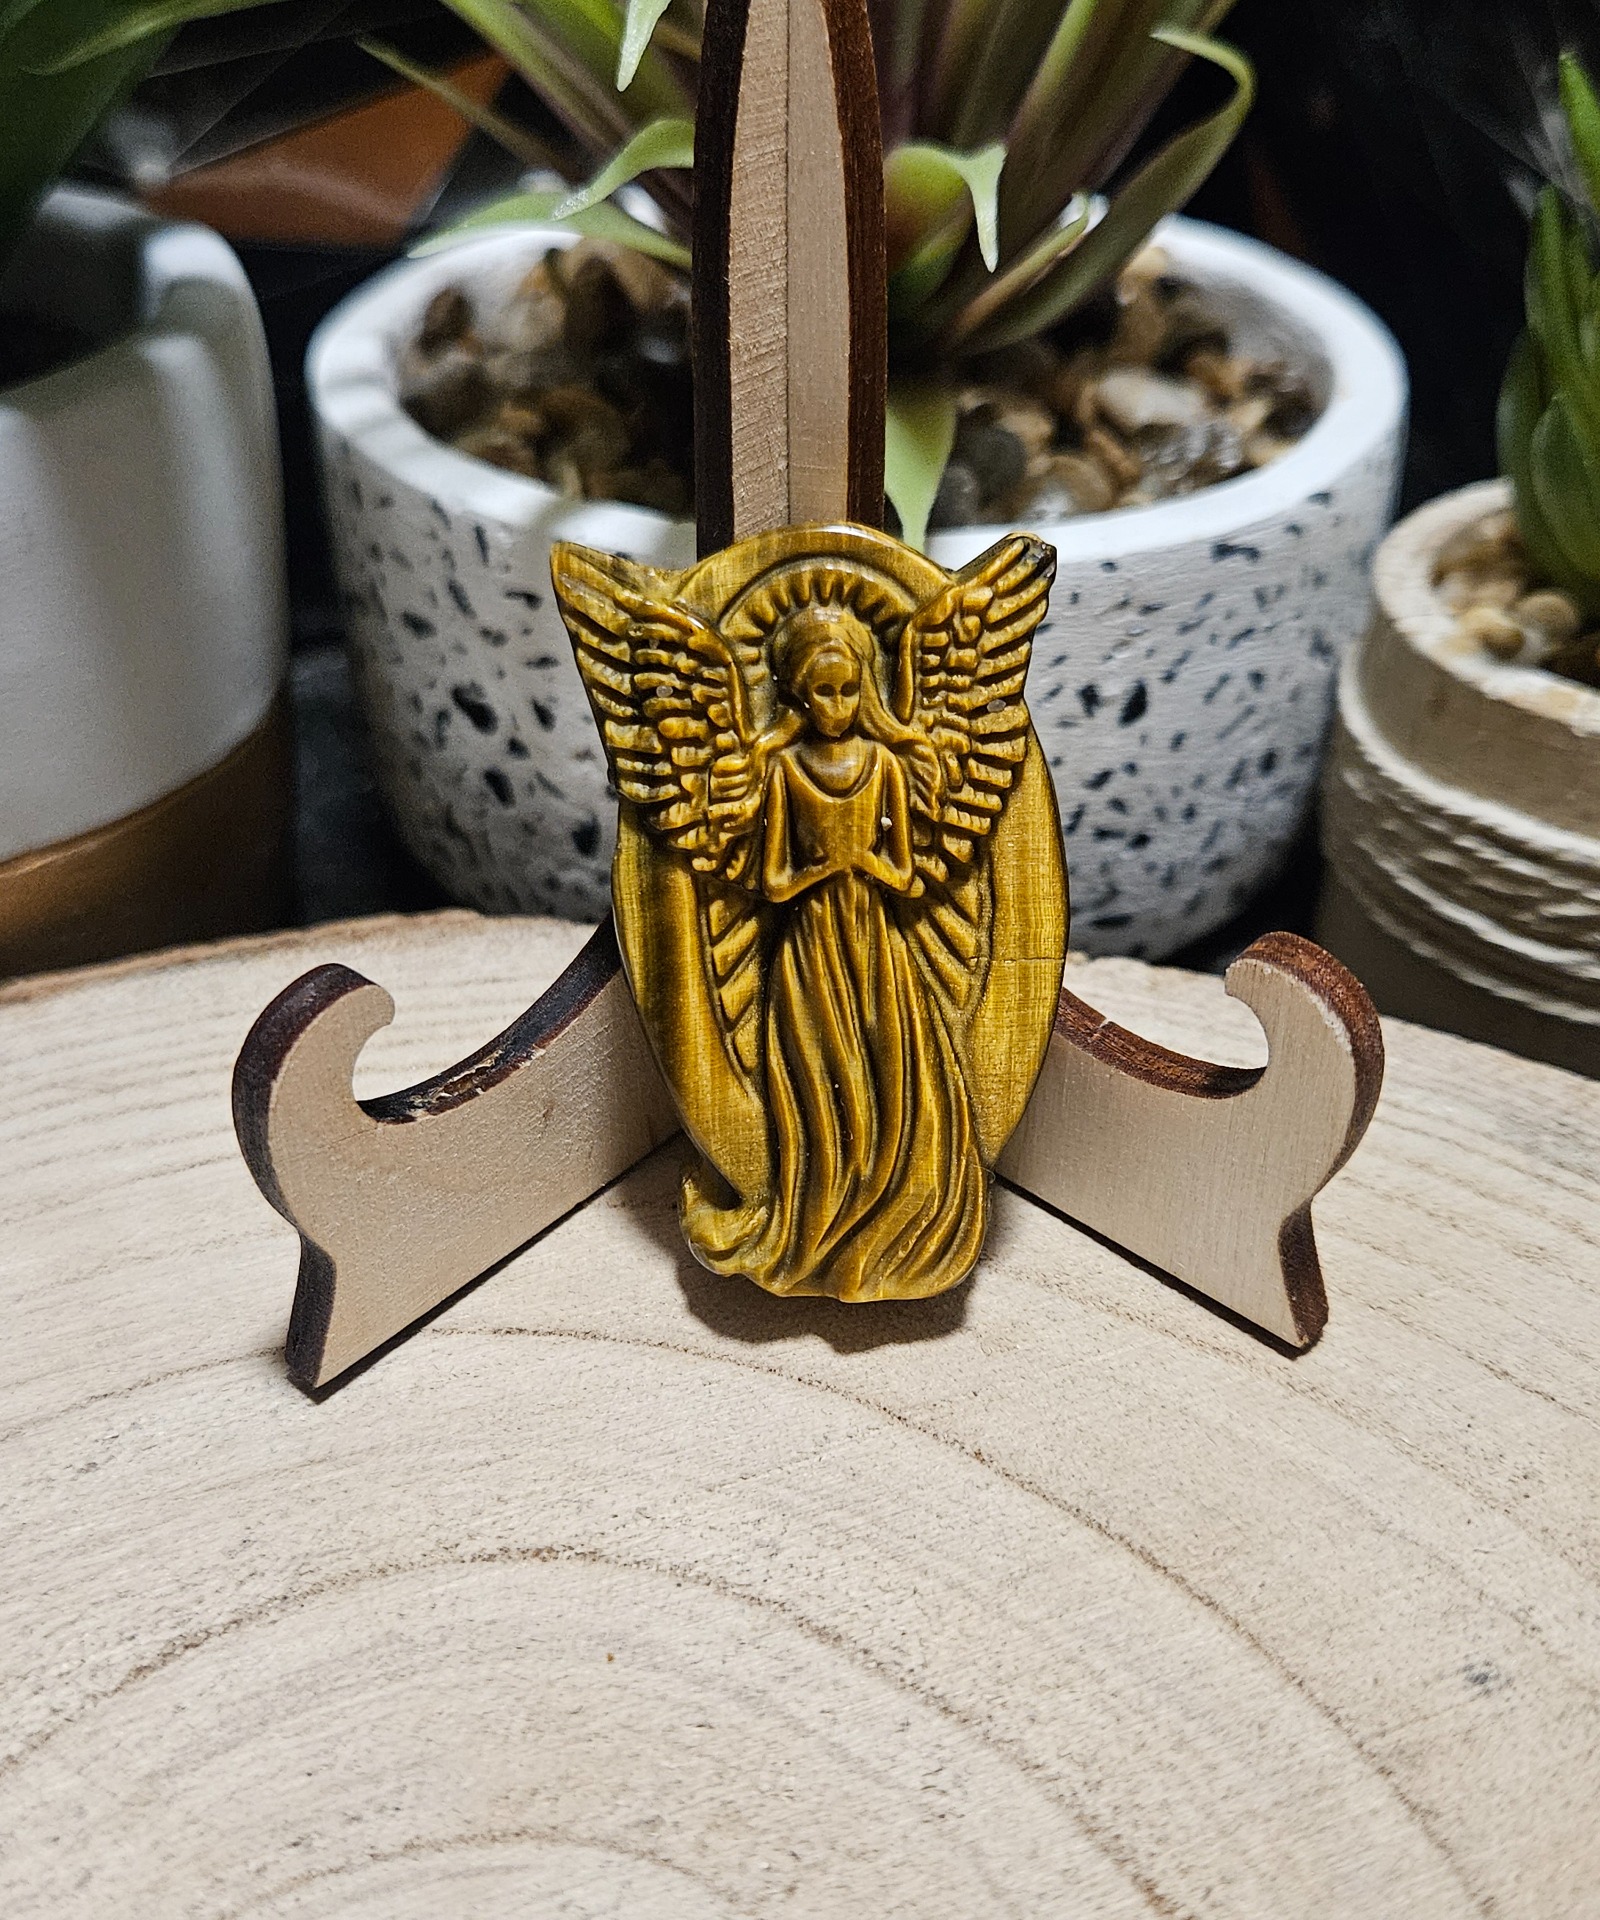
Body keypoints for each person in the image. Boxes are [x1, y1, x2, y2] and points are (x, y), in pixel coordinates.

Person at [682, 603, 987, 1298]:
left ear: (866, 688)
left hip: (875, 944)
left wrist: (863, 866)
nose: (837, 705)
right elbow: (772, 881)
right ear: (796, 695)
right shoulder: (786, 772)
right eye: (823, 692)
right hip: (809, 946)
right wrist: (823, 870)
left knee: (890, 1075)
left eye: (849, 689)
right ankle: (815, 1220)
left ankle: (898, 1224)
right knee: (817, 1084)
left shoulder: (884, 765)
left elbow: (904, 872)